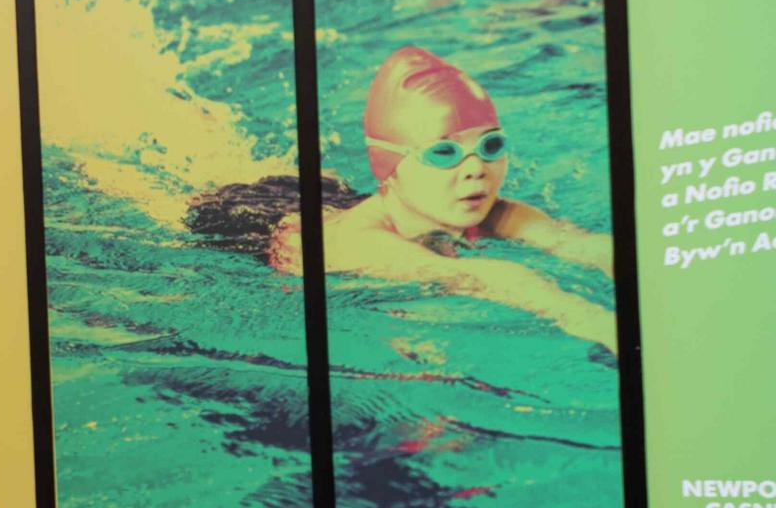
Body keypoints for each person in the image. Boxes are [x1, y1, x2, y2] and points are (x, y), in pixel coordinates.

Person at [263, 45, 616, 348]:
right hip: (248, 220)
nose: (476, 168)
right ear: (391, 164)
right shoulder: (360, 242)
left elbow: (578, 244)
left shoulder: (487, 210)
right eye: (444, 153)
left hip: (333, 200)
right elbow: (480, 277)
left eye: (490, 145)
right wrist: (596, 322)